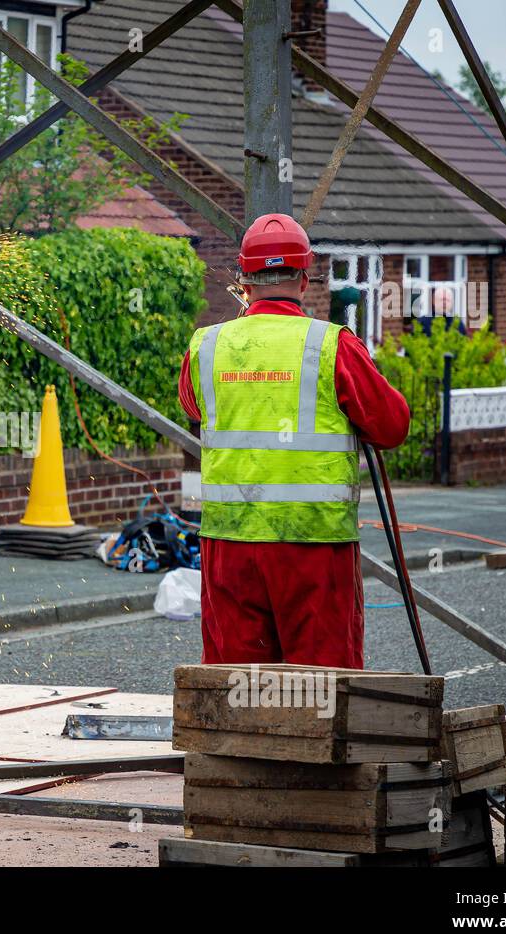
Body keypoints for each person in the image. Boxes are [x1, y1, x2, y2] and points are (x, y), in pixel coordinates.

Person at [177, 214, 410, 668]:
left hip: (231, 544)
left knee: (235, 685)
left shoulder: (206, 346)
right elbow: (392, 426)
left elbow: (194, 408)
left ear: (244, 281)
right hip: (314, 544)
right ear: (305, 280)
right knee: (323, 685)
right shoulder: (332, 346)